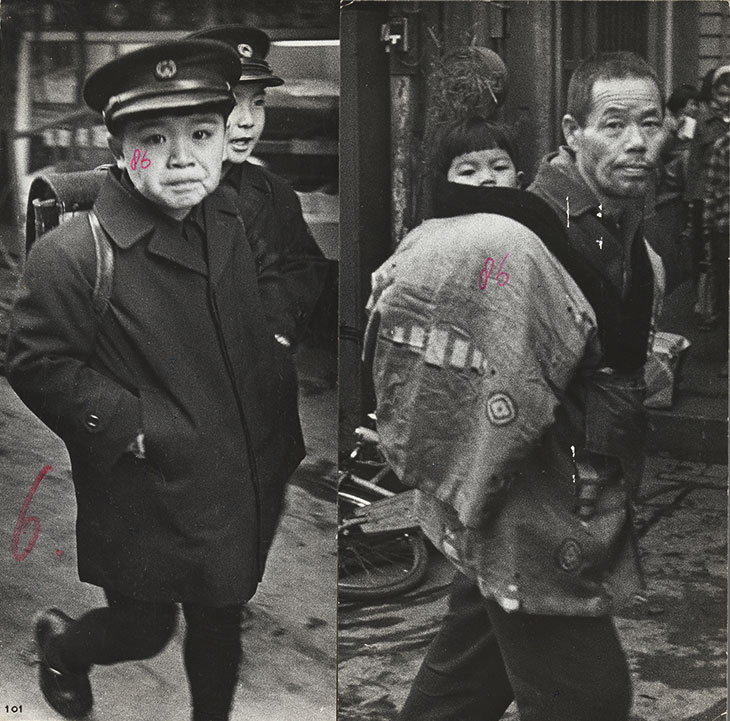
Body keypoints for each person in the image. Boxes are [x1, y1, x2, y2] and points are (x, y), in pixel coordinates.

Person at [6, 39, 304, 721]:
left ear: (224, 137)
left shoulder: (225, 214)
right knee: (146, 627)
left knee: (220, 621)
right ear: (118, 145)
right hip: (147, 489)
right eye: (152, 138)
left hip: (237, 473)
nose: (181, 158)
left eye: (201, 134)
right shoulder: (74, 254)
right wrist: (131, 424)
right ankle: (65, 648)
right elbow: (35, 361)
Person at [367, 51, 665, 721]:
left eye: (651, 121)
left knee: (460, 686)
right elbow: (437, 328)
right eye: (613, 123)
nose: (637, 141)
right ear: (570, 131)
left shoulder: (618, 226)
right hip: (531, 504)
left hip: (573, 497)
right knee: (589, 699)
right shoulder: (518, 232)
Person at [188, 25, 328, 347]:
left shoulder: (275, 192)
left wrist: (278, 327)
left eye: (259, 102)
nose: (248, 120)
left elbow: (304, 266)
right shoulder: (165, 188)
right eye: (233, 102)